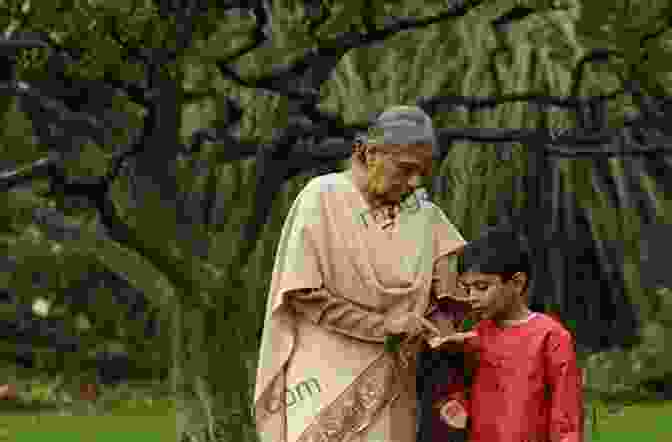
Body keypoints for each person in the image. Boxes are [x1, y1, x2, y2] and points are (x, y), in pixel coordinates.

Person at [253, 105, 467, 442]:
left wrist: (443, 334)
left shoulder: (426, 215)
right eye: (406, 169)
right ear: (368, 152)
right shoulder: (321, 197)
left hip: (396, 386)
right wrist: (382, 327)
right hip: (323, 384)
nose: (415, 182)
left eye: (423, 172)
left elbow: (449, 299)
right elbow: (302, 293)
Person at [429, 224, 584, 442]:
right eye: (467, 288)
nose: (472, 297)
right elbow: (465, 395)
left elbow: (566, 418)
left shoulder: (551, 337)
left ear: (517, 283)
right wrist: (455, 404)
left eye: (482, 287)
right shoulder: (476, 336)